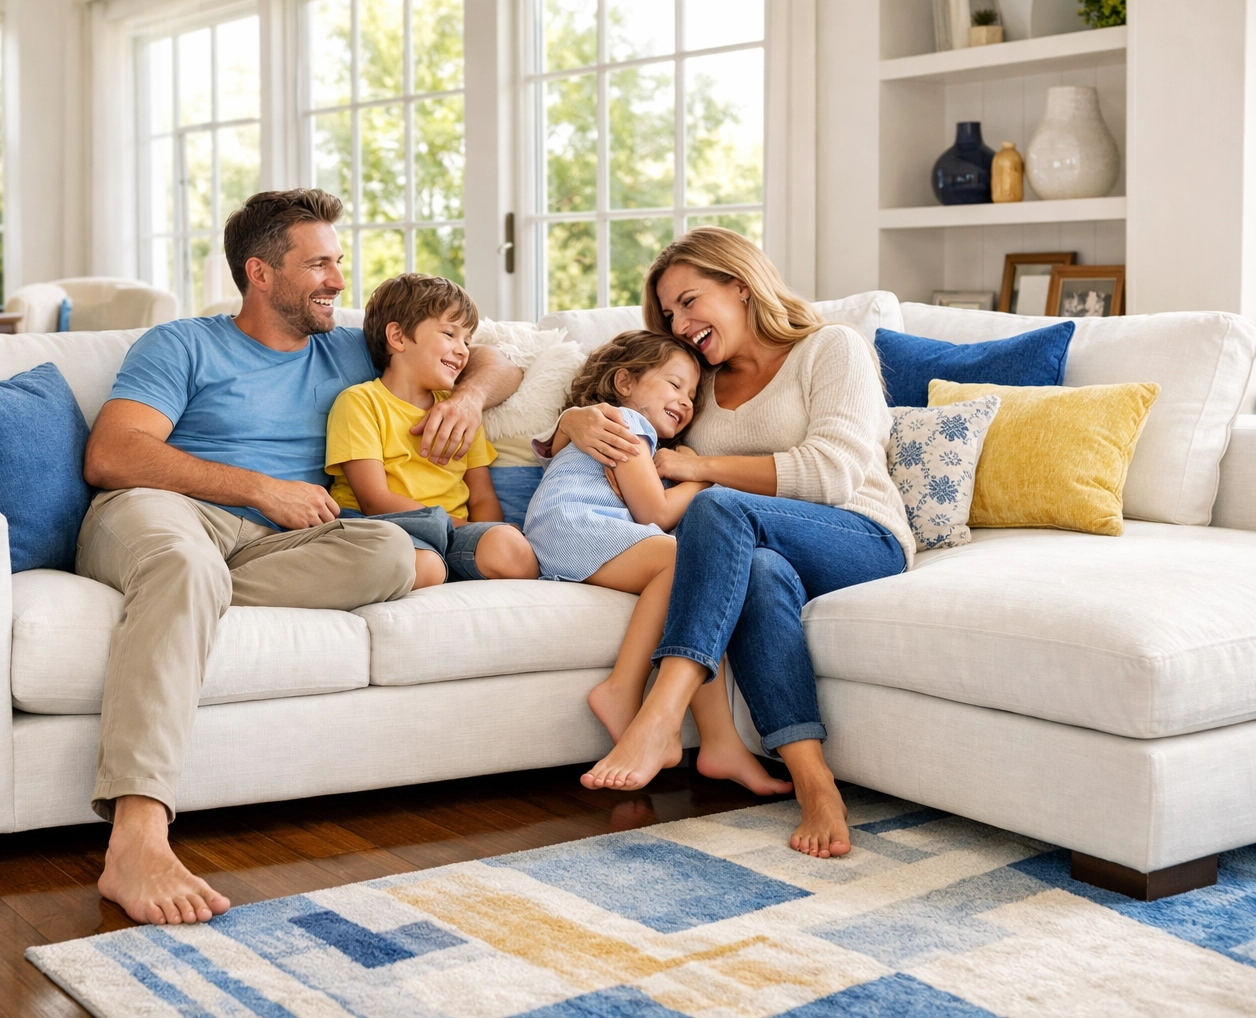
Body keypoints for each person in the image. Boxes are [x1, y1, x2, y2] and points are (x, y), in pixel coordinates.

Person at [78, 189, 524, 925]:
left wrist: (470, 399)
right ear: (261, 273)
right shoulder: (183, 344)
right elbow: (114, 453)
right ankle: (138, 836)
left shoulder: (350, 347)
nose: (339, 281)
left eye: (338, 262)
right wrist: (261, 488)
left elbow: (497, 358)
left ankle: (190, 604)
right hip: (166, 512)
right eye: (319, 264)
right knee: (185, 566)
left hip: (284, 544)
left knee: (389, 550)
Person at [551, 228, 916, 860]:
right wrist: (570, 421)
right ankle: (814, 780)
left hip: (858, 535)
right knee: (761, 572)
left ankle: (660, 713)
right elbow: (635, 445)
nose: (681, 322)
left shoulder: (831, 348)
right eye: (669, 313)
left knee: (719, 506)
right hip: (767, 547)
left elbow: (832, 473)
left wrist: (705, 469)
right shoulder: (698, 391)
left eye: (691, 301)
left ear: (741, 286)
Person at [524, 331, 794, 798]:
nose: (685, 402)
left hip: (573, 533)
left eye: (691, 396)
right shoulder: (626, 424)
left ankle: (720, 742)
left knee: (704, 590)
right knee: (693, 562)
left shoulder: (626, 431)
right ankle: (621, 691)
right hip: (573, 526)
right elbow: (656, 514)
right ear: (625, 381)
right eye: (673, 385)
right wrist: (697, 474)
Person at [326, 273, 539, 584]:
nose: (464, 349)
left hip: (454, 534)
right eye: (449, 334)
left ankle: (457, 566)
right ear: (397, 337)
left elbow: (481, 497)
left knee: (513, 550)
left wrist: (490, 532)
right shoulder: (360, 402)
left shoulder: (460, 411)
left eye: (467, 340)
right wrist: (455, 526)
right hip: (387, 527)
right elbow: (374, 499)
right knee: (425, 565)